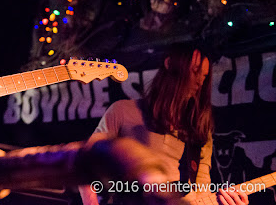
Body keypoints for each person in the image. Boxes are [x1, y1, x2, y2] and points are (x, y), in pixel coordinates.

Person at [79, 44, 249, 205]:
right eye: (195, 71)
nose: (199, 82)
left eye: (204, 76)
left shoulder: (199, 129)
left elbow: (202, 191)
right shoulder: (123, 111)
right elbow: (84, 164)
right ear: (170, 64)